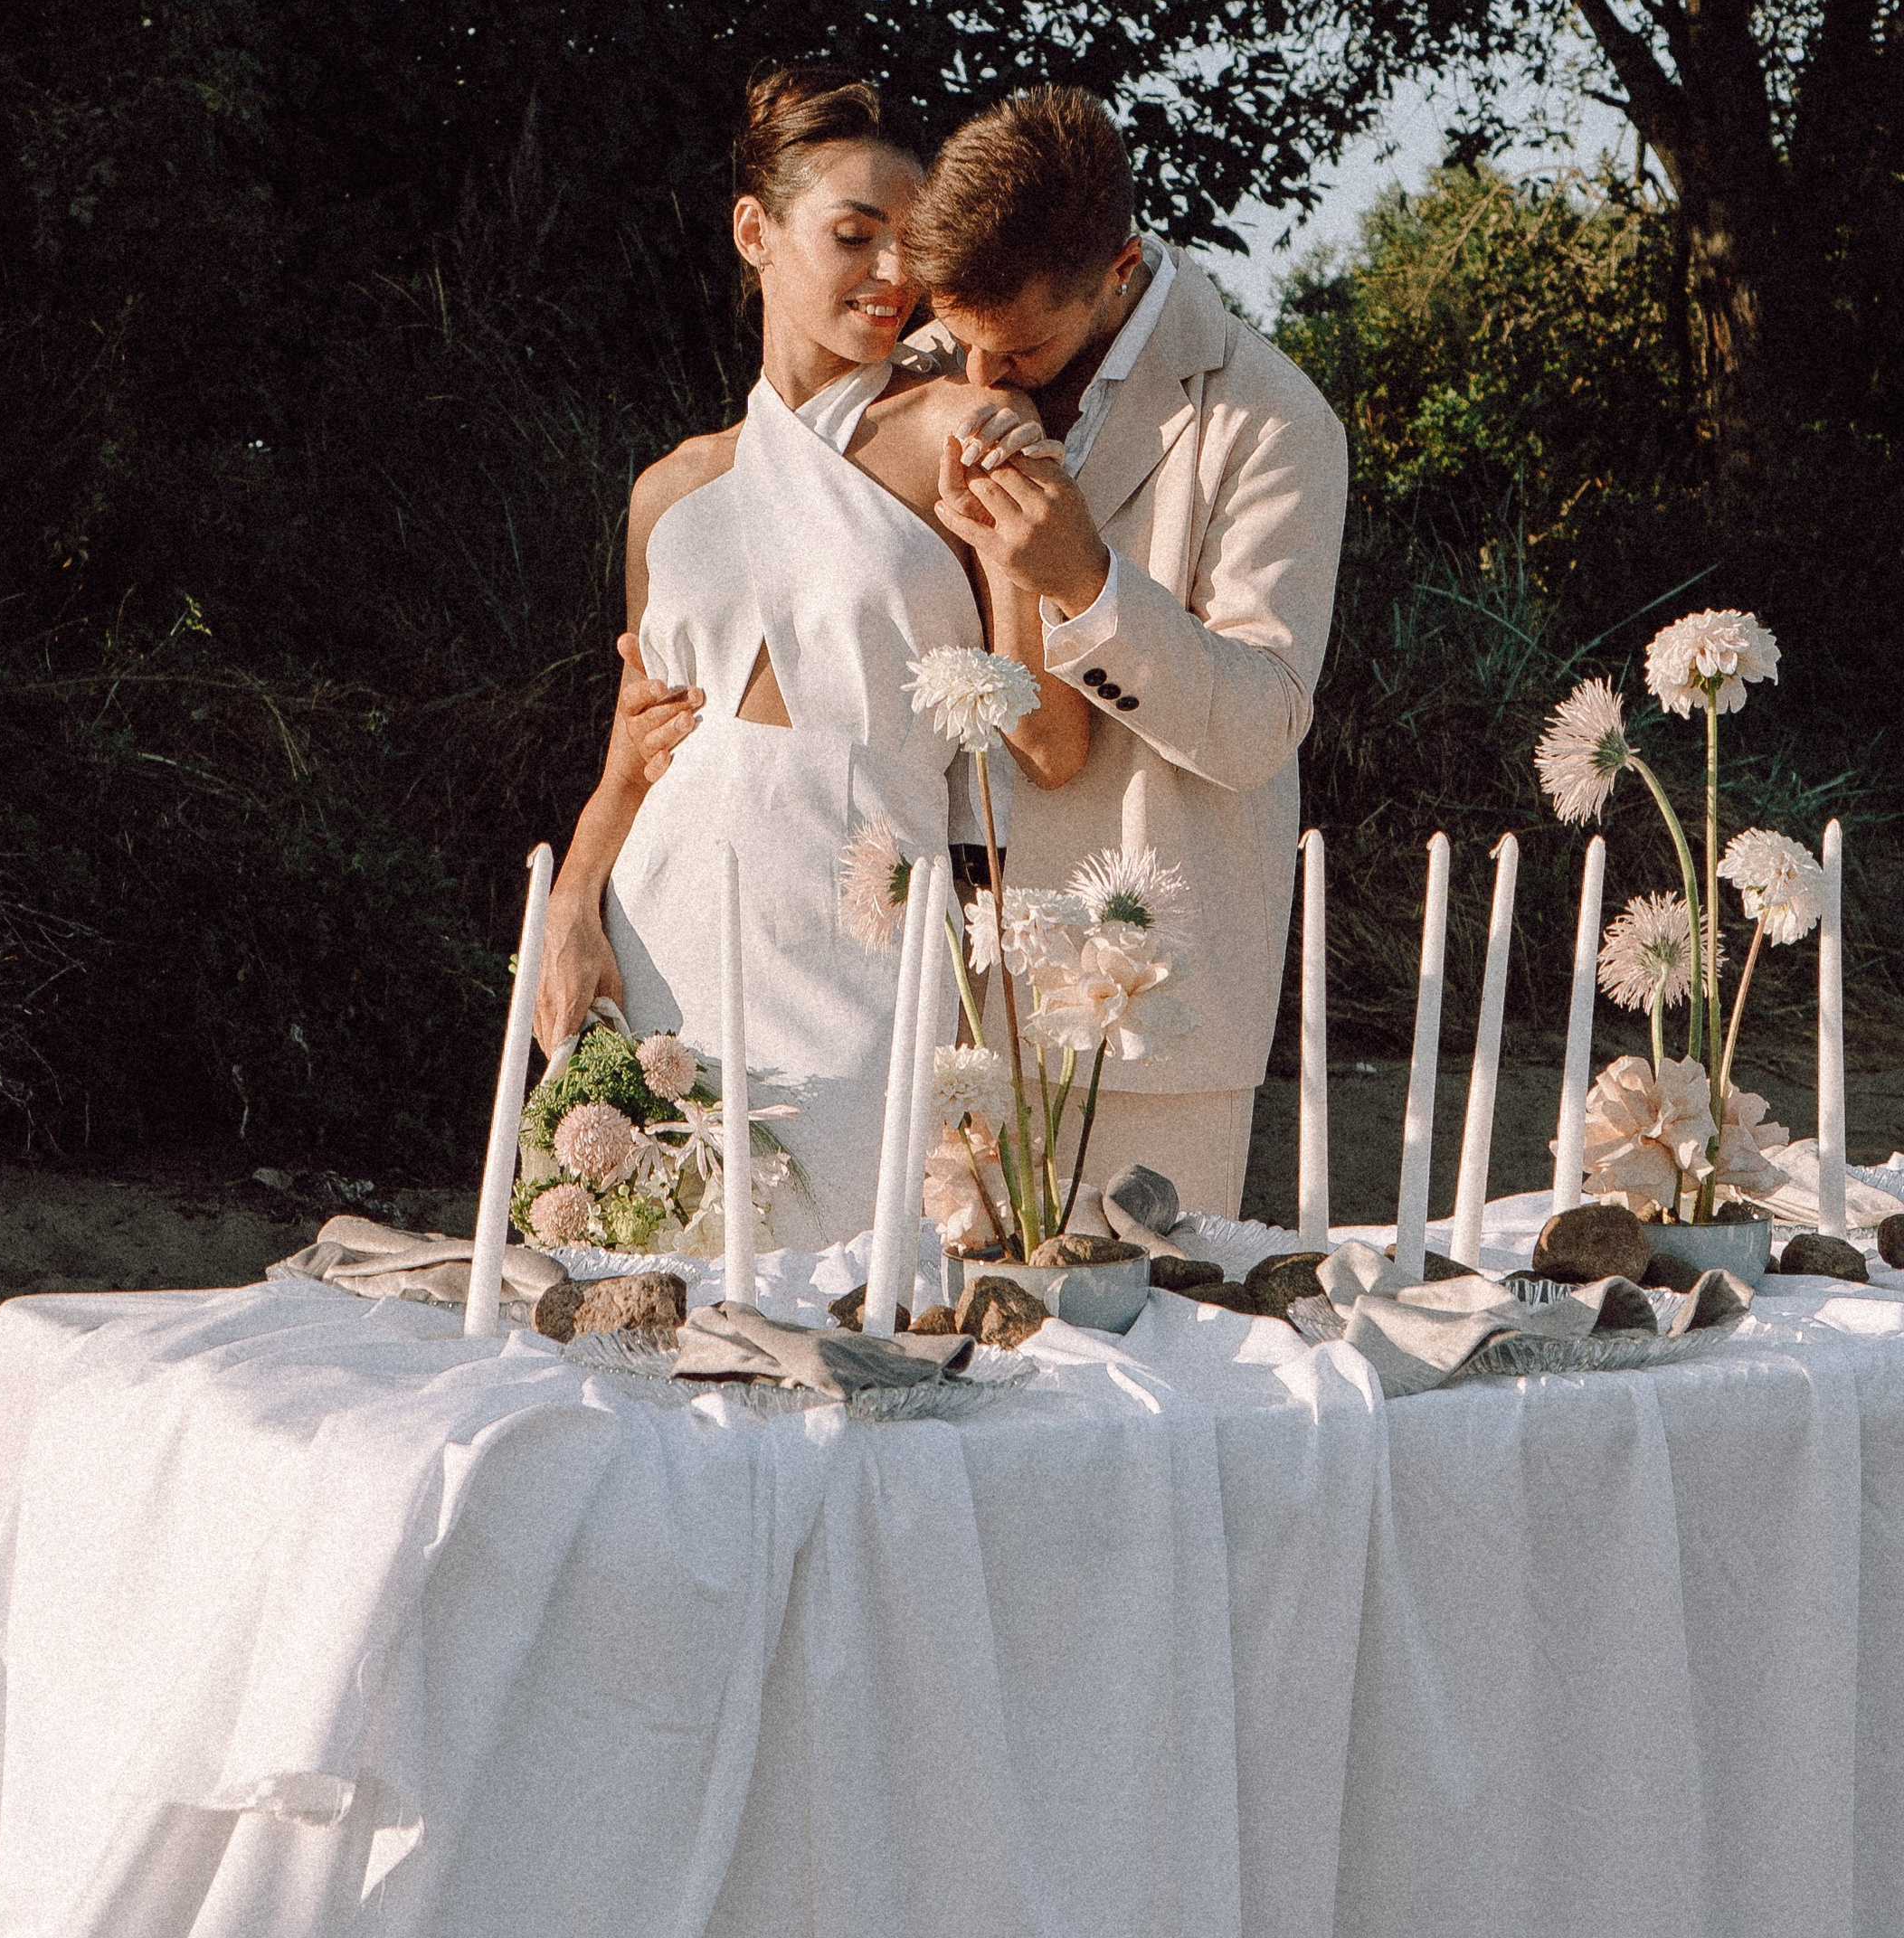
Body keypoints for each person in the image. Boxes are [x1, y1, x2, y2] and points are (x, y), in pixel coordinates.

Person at [535, 66, 1088, 1242]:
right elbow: (638, 752)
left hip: (868, 949)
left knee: (849, 1302)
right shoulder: (669, 493)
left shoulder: (965, 434)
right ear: (756, 232)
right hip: (665, 931)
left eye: (913, 245)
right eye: (854, 236)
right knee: (636, 1291)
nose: (896, 276)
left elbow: (1048, 742)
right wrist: (572, 908)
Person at [912, 85, 1347, 1224]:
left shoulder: (1270, 418)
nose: (982, 378)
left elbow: (1261, 721)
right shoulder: (925, 369)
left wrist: (1085, 582)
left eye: (1017, 349)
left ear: (1118, 266)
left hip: (1143, 1020)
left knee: (1141, 1370)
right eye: (963, 342)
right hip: (917, 996)